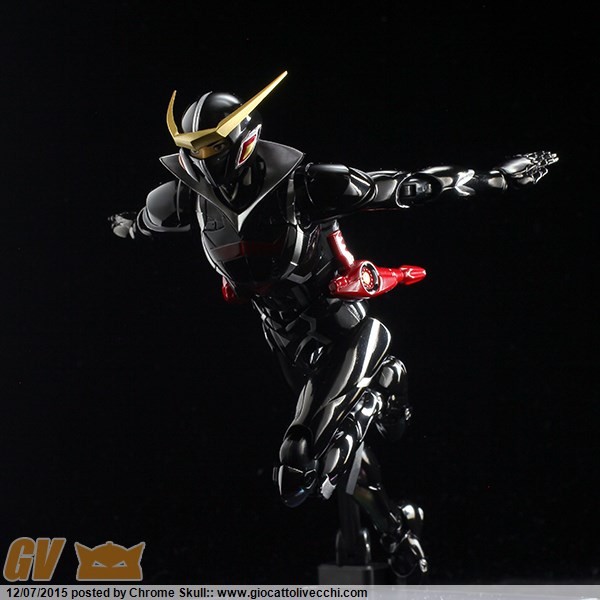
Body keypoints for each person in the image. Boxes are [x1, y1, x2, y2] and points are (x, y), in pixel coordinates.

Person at [110, 71, 558, 579]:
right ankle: (393, 525)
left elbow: (405, 186)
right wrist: (126, 225)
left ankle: (384, 388)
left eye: (212, 147)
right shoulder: (184, 198)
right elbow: (144, 221)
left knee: (298, 464)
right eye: (193, 150)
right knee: (343, 462)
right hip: (288, 343)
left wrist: (494, 177)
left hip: (342, 330)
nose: (203, 161)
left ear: (242, 138)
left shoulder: (306, 184)